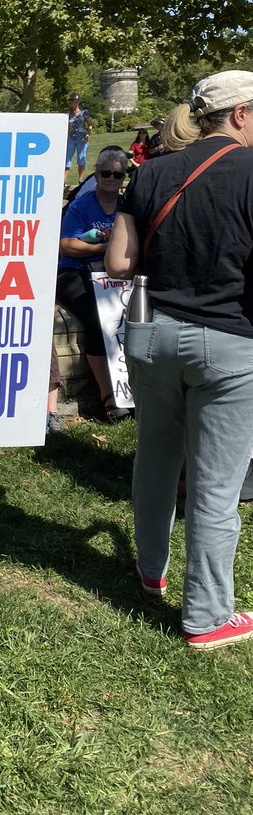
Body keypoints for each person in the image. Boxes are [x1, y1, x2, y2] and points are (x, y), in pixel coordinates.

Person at [106, 69, 253, 650]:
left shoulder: (152, 171)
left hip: (153, 334)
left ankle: (150, 570)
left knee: (156, 458)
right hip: (231, 343)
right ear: (240, 114)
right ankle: (208, 616)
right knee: (215, 489)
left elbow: (119, 263)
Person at [55, 148, 132, 422]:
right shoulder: (82, 205)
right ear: (96, 175)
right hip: (73, 272)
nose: (111, 178)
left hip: (114, 275)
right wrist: (106, 246)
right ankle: (108, 396)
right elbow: (66, 245)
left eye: (118, 174)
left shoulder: (128, 205)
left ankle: (133, 391)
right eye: (105, 173)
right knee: (98, 317)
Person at [64, 92, 93, 184]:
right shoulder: (67, 114)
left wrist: (88, 134)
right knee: (67, 159)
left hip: (82, 139)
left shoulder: (84, 113)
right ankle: (63, 181)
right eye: (69, 100)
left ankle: (80, 179)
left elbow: (90, 125)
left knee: (81, 159)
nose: (70, 101)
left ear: (77, 101)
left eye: (72, 100)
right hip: (70, 138)